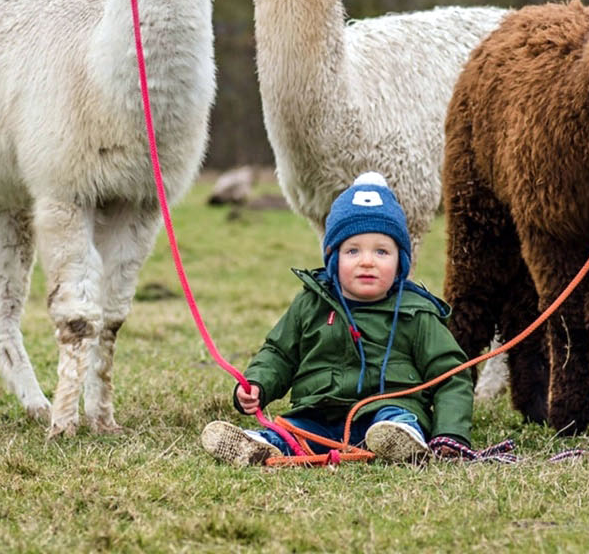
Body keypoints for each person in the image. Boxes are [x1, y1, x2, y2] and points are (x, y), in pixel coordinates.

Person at [201, 172, 474, 465]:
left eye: (381, 251)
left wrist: (451, 434)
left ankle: (402, 440)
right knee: (295, 431)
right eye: (353, 250)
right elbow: (279, 353)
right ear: (333, 259)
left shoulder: (417, 312)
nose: (367, 261)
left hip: (388, 409)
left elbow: (451, 375)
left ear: (401, 261)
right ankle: (260, 444)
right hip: (319, 413)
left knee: (395, 417)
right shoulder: (311, 303)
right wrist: (257, 384)